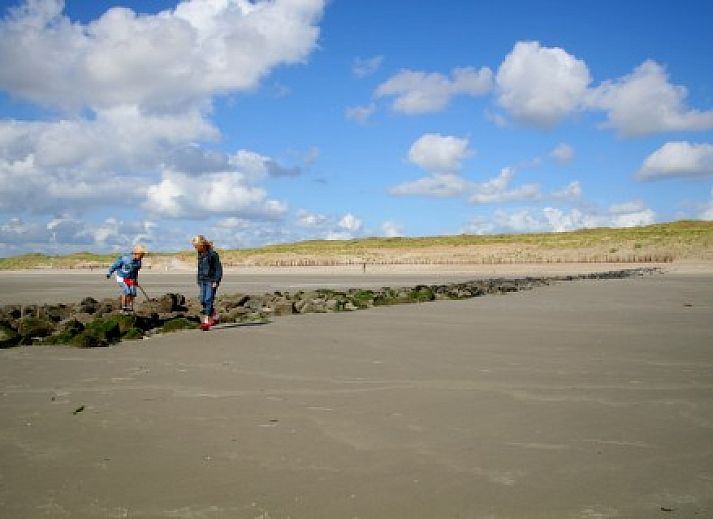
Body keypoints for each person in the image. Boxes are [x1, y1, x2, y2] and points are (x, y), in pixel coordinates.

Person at [191, 235, 223, 330]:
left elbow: (218, 269)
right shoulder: (200, 254)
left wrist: (216, 281)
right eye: (194, 246)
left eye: (196, 246)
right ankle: (215, 316)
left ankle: (206, 321)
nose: (195, 248)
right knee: (202, 300)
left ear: (202, 244)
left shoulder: (213, 254)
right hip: (202, 280)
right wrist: (198, 279)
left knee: (208, 299)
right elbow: (200, 268)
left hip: (211, 281)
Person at [107, 244, 147, 313]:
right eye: (141, 255)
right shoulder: (125, 258)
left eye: (143, 255)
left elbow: (135, 272)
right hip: (121, 277)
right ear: (136, 254)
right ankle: (124, 308)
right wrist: (109, 273)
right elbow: (115, 265)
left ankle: (130, 307)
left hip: (131, 278)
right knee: (127, 292)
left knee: (133, 293)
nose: (142, 257)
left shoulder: (139, 262)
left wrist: (136, 280)